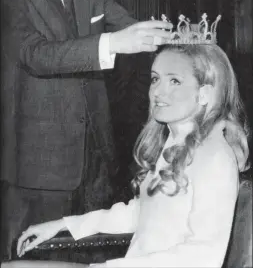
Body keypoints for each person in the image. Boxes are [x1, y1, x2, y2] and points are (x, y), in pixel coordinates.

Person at [0, 0, 173, 260]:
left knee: (87, 255)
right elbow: (36, 55)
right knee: (37, 257)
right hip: (39, 167)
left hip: (96, 158)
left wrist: (178, 38)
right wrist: (111, 43)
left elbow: (131, 28)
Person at [16, 31, 250, 267]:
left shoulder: (215, 156)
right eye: (155, 79)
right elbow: (140, 215)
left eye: (174, 81)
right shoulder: (175, 143)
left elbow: (204, 256)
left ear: (204, 94)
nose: (158, 91)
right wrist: (63, 225)